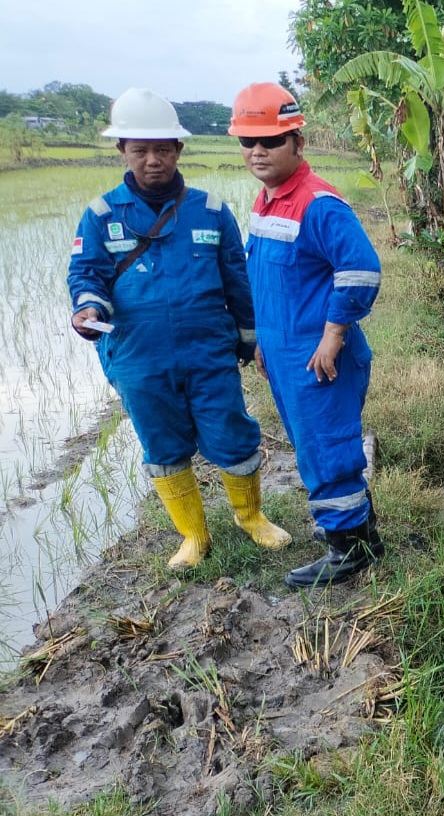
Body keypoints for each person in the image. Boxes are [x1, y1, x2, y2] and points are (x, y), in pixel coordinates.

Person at [67, 87, 290, 569]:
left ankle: (251, 517)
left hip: (209, 352)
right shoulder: (103, 215)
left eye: (162, 150)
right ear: (122, 151)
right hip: (139, 358)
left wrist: (252, 343)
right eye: (141, 150)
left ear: (178, 151)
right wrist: (86, 310)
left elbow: (239, 281)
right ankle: (193, 535)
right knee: (162, 444)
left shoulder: (210, 210)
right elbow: (86, 274)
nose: (153, 160)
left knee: (232, 433)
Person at [230, 82, 383, 588]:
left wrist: (334, 334)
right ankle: (361, 532)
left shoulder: (319, 204)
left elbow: (360, 269)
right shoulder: (267, 202)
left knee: (325, 448)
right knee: (310, 444)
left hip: (322, 357)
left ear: (298, 141)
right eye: (248, 141)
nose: (258, 151)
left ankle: (349, 550)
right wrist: (260, 345)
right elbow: (268, 283)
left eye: (271, 140)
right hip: (285, 354)